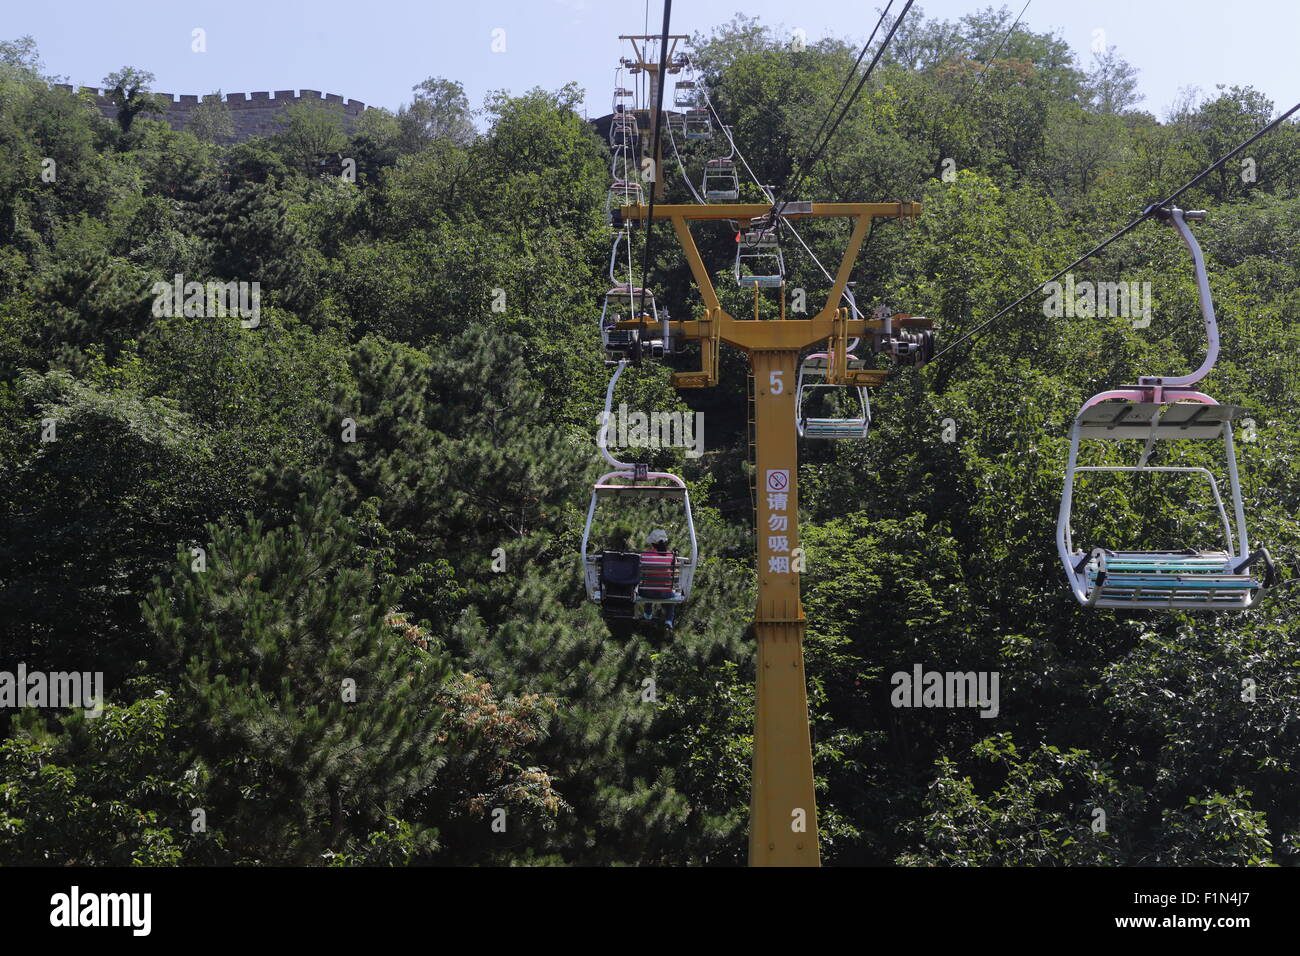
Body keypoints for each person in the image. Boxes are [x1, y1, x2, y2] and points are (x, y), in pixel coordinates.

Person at [639, 529, 677, 626]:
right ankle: (669, 620)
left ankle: (648, 614)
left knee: (647, 585)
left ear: (652, 543)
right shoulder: (671, 556)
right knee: (672, 596)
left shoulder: (645, 556)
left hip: (648, 593)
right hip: (665, 593)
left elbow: (641, 573)